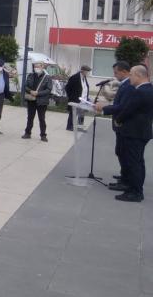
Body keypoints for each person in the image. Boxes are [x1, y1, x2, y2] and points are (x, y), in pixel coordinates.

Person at [102, 66, 153, 202]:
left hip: (134, 132)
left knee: (134, 163)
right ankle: (134, 188)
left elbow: (127, 109)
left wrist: (119, 120)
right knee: (138, 162)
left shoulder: (141, 91)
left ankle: (135, 192)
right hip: (141, 131)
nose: (130, 77)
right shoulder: (148, 89)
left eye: (131, 75)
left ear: (138, 75)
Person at [97, 61, 134, 189]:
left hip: (124, 125)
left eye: (116, 72)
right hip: (119, 125)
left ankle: (126, 180)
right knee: (120, 151)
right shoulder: (124, 84)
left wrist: (105, 108)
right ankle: (124, 176)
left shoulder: (129, 85)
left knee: (124, 153)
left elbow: (122, 106)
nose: (114, 75)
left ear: (124, 72)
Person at [22, 62, 52, 142]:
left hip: (42, 102)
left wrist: (38, 93)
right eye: (35, 67)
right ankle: (27, 133)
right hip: (31, 100)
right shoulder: (31, 75)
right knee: (30, 118)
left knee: (41, 119)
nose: (36, 68)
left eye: (38, 67)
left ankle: (43, 135)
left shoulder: (47, 77)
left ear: (42, 67)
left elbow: (48, 89)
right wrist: (30, 91)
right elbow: (25, 86)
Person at [65, 65, 92, 131]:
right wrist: (71, 97)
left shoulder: (84, 77)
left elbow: (84, 87)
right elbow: (67, 88)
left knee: (81, 114)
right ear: (83, 71)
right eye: (87, 72)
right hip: (75, 99)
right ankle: (69, 127)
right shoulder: (75, 77)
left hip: (83, 100)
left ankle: (80, 127)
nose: (88, 73)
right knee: (73, 114)